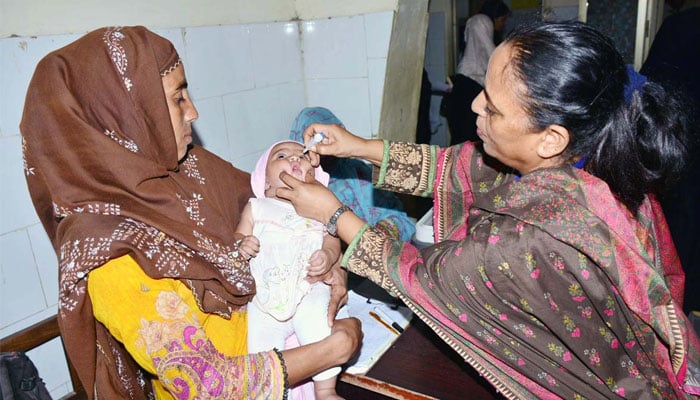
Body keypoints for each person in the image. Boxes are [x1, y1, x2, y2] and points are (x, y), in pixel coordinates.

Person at [278, 22, 700, 399]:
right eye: (484, 89)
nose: (476, 105)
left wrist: (333, 213)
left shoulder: (529, 240)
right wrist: (355, 145)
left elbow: (420, 278)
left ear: (550, 138)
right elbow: (452, 168)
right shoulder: (589, 156)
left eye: (493, 108)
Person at [20, 26, 362, 399]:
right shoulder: (108, 255)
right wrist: (334, 348)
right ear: (123, 115)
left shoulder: (188, 172)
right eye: (177, 97)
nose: (194, 112)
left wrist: (333, 266)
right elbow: (207, 384)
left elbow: (296, 218)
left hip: (290, 354)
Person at [235, 140, 344, 400]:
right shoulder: (257, 207)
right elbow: (237, 235)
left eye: (302, 156)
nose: (295, 159)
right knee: (260, 348)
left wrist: (328, 255)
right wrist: (241, 243)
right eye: (282, 156)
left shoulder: (319, 207)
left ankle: (326, 390)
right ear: (265, 182)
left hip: (309, 286)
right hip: (265, 295)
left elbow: (333, 238)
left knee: (319, 326)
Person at [641, 6, 700, 315]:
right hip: (684, 147)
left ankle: (675, 307)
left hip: (682, 146)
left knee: (679, 228)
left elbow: (652, 88)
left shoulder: (680, 26)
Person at [289, 107, 416, 242]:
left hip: (378, 250)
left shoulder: (358, 172)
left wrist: (381, 231)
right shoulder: (297, 187)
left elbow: (401, 221)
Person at [443, 0, 510, 145]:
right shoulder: (480, 20)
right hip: (469, 82)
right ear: (496, 16)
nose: (503, 24)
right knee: (465, 135)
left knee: (466, 135)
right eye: (503, 19)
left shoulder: (481, 23)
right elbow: (489, 52)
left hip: (470, 83)